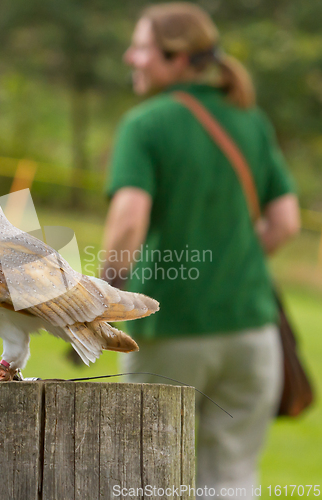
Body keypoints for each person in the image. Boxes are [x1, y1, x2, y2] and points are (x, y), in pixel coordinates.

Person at [102, 3, 300, 498]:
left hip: (170, 330)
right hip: (254, 334)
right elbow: (285, 223)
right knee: (230, 480)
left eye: (143, 47)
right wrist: (230, 265)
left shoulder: (146, 125)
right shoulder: (249, 120)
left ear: (177, 59)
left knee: (150, 480)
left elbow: (128, 223)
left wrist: (99, 301)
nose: (131, 56)